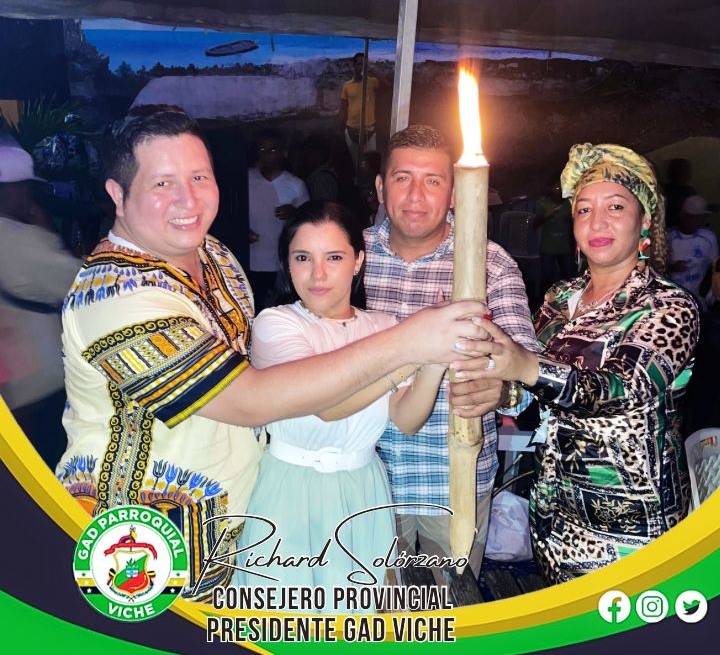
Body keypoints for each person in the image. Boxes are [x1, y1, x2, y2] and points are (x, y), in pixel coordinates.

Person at [56, 110, 489, 601]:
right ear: (118, 194)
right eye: (162, 183)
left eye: (199, 177)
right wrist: (408, 344)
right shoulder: (115, 296)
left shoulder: (214, 256)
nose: (188, 199)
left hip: (236, 524)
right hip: (142, 540)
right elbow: (251, 400)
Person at [463, 143, 700, 584]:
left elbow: (620, 389)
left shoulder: (668, 306)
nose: (597, 221)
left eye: (616, 207)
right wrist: (500, 390)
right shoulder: (560, 298)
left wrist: (523, 365)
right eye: (584, 209)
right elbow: (535, 392)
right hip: (553, 513)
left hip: (630, 528)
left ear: (645, 220)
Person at [234, 201, 453, 603]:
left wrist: (435, 361)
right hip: (290, 488)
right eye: (303, 258)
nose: (318, 274)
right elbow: (325, 406)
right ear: (287, 264)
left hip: (363, 488)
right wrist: (414, 350)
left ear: (358, 262)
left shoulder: (383, 327)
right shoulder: (276, 324)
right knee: (284, 612)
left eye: (334, 257)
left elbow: (406, 419)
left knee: (356, 612)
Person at [364, 125, 538, 584]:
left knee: (453, 611)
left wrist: (501, 391)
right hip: (366, 481)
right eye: (402, 178)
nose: (415, 195)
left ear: (457, 193)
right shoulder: (349, 257)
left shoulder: (489, 263)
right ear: (381, 187)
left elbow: (525, 373)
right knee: (375, 610)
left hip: (455, 483)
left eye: (433, 181)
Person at [0, 138, 80, 468]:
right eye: (25, 189)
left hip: (10, 382)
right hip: (38, 381)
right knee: (51, 464)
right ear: (10, 190)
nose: (29, 198)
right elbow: (79, 284)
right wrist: (49, 233)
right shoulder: (24, 240)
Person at [247, 131, 309, 309]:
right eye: (262, 150)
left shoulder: (295, 185)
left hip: (280, 263)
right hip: (249, 261)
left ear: (283, 153)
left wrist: (294, 213)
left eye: (272, 150)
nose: (267, 155)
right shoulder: (246, 178)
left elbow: (309, 223)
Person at [339, 53, 389, 168]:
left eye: (363, 64)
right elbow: (343, 108)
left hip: (368, 129)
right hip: (351, 128)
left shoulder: (371, 82)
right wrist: (340, 127)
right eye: (359, 64)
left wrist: (371, 69)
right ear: (354, 65)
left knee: (371, 163)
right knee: (355, 163)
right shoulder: (347, 85)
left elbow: (387, 84)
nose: (361, 66)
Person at [668, 194, 718, 304]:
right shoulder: (668, 237)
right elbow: (654, 267)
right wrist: (671, 268)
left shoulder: (709, 238)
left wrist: (709, 296)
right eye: (692, 217)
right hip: (669, 298)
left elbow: (715, 267)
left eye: (701, 217)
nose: (697, 221)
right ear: (682, 216)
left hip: (696, 299)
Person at [534, 181, 575, 294]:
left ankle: (567, 299)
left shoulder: (569, 203)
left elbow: (574, 223)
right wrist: (548, 215)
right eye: (556, 187)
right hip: (548, 247)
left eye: (562, 187)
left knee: (568, 277)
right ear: (550, 188)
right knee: (547, 278)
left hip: (565, 247)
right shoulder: (543, 203)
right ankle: (544, 300)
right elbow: (535, 224)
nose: (559, 190)